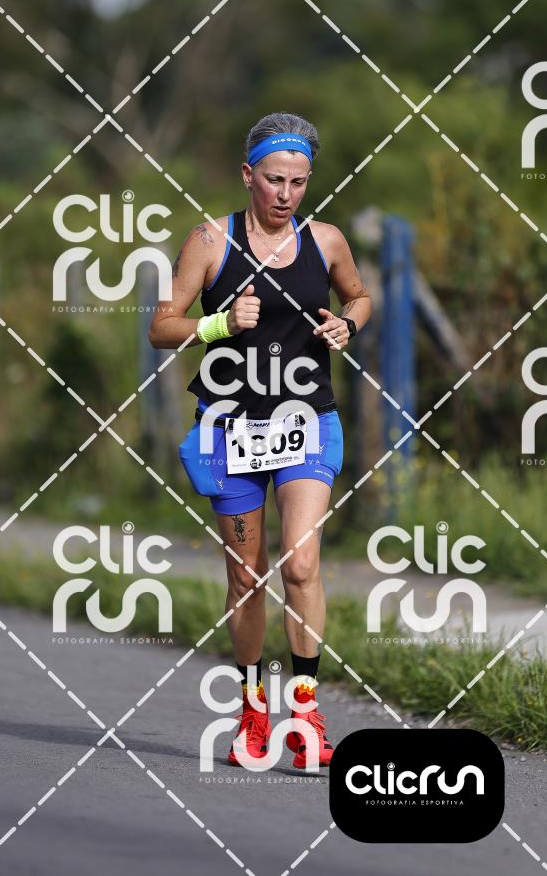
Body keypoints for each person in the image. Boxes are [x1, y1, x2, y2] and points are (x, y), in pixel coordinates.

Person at [148, 111, 371, 769]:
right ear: (248, 175)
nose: (286, 194)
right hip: (230, 429)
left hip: (306, 422)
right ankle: (251, 710)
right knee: (247, 578)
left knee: (300, 564)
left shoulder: (325, 240)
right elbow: (161, 327)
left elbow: (359, 297)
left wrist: (348, 325)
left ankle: (304, 712)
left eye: (298, 182)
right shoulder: (209, 241)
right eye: (275, 179)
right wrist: (218, 324)